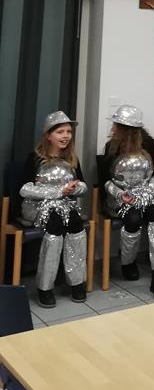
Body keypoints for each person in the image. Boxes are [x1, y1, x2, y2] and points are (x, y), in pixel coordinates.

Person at [20, 111, 88, 309]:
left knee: (76, 224)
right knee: (55, 224)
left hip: (64, 205)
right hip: (37, 207)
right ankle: (45, 286)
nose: (66, 136)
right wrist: (58, 191)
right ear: (48, 135)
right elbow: (24, 189)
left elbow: (83, 186)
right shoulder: (35, 158)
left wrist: (74, 188)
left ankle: (77, 282)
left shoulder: (72, 159)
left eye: (68, 131)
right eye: (60, 132)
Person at [102, 104, 154, 300]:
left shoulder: (149, 145)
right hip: (119, 197)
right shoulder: (111, 147)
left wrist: (149, 191)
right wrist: (120, 194)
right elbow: (104, 180)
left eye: (116, 125)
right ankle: (128, 262)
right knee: (133, 218)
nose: (113, 129)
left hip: (145, 193)